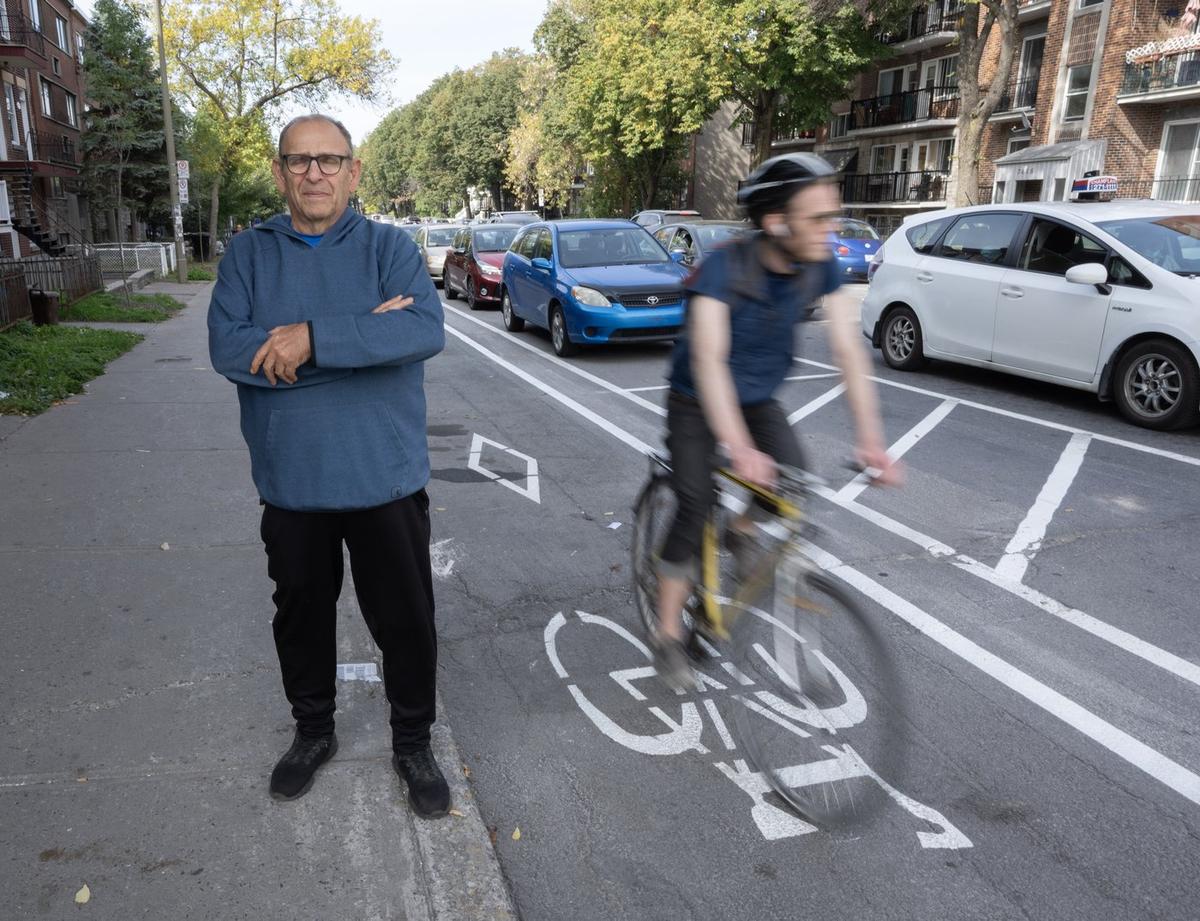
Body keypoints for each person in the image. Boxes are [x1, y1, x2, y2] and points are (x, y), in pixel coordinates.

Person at [207, 113, 451, 818]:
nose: (315, 172)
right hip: (293, 482)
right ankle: (313, 731)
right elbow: (231, 352)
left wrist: (310, 340)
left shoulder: (389, 248)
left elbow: (421, 329)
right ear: (280, 171)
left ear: (354, 171)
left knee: (406, 619)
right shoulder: (248, 256)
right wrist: (362, 342)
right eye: (300, 160)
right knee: (301, 616)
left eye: (330, 159)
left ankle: (413, 740)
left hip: (385, 478)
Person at [653, 153, 900, 689]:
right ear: (775, 222)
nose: (831, 229)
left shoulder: (819, 264)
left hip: (757, 398)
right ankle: (668, 632)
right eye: (818, 219)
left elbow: (848, 353)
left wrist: (872, 441)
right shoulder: (724, 268)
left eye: (832, 215)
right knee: (694, 503)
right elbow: (710, 362)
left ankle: (739, 530)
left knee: (793, 483)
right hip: (696, 398)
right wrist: (740, 448)